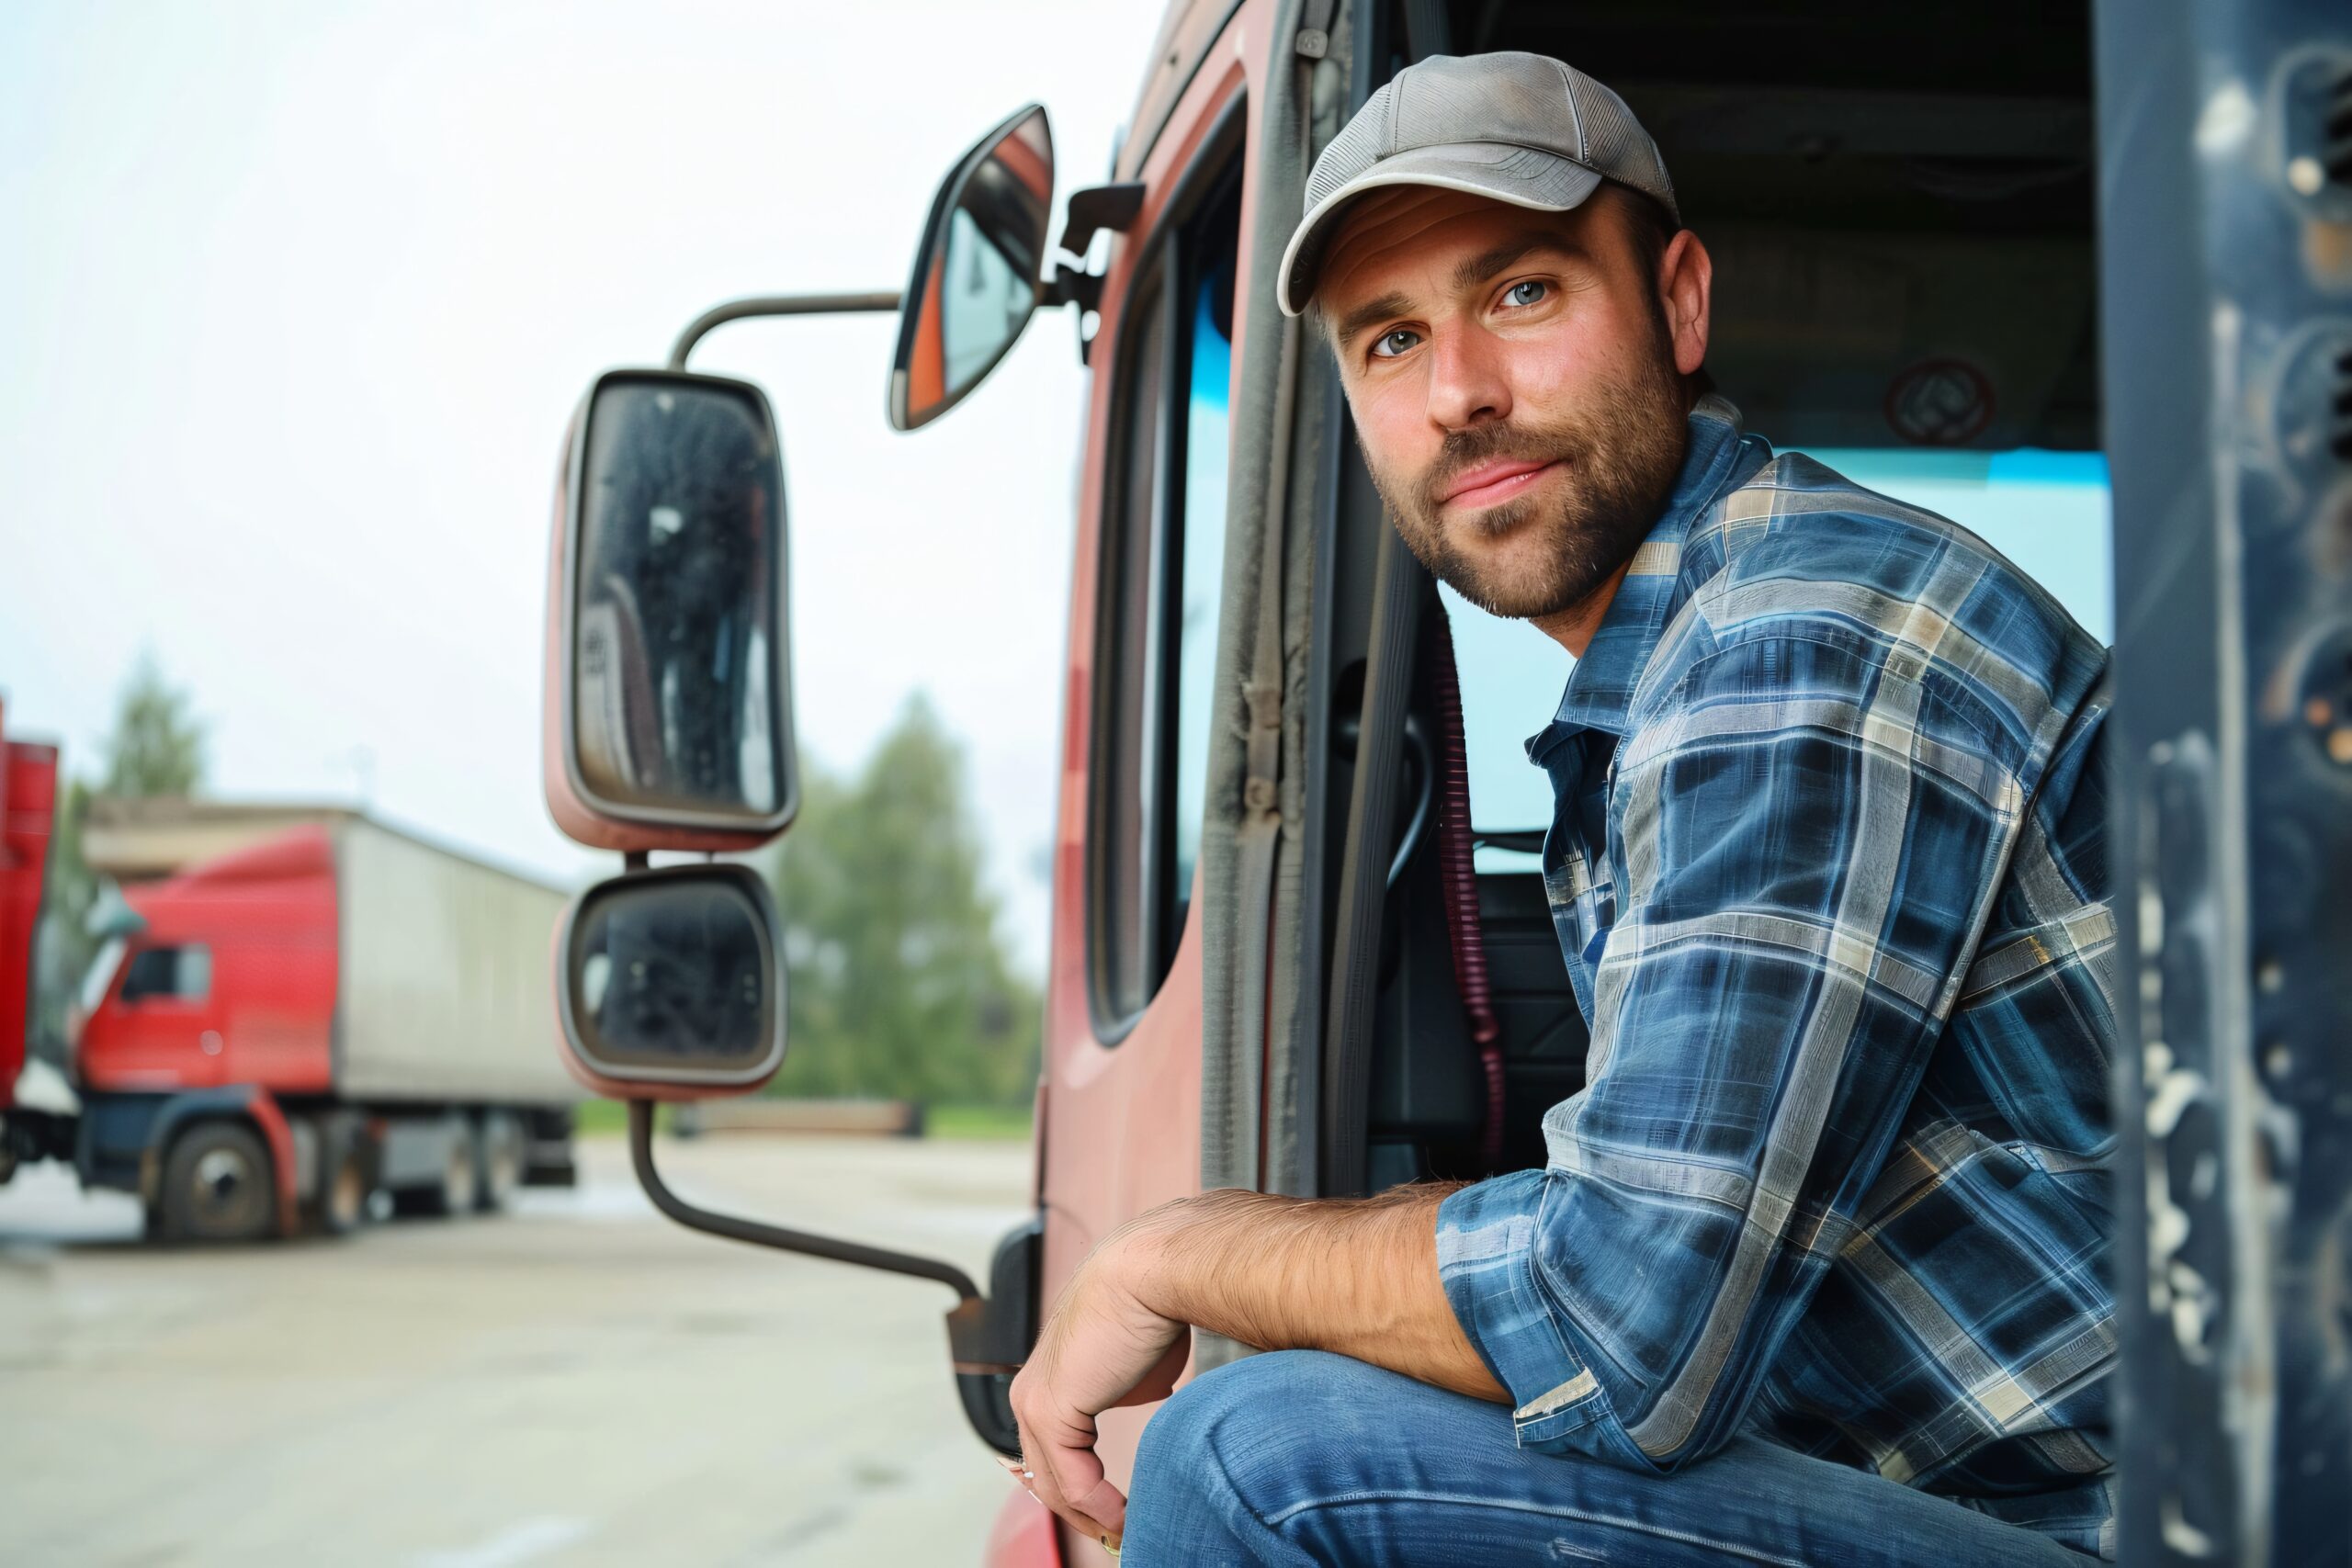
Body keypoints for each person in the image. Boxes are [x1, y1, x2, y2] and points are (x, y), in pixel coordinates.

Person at [1006, 52, 2115, 1565]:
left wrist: (1181, 1255)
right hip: (1981, 1497)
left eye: (1521, 293)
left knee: (1260, 1459)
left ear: (1679, 303)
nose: (1459, 392)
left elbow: (1624, 1324)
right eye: (1390, 341)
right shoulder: (1679, 668)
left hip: (2146, 1525)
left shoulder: (1796, 636)